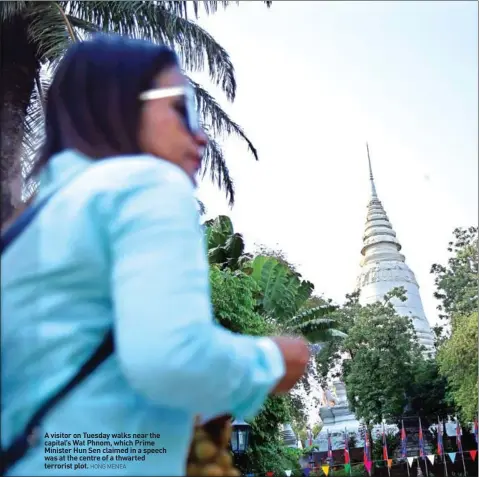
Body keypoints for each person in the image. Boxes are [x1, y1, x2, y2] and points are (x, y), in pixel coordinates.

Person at [1, 35, 310, 476]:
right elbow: (169, 358)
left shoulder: (24, 229)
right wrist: (273, 360)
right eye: (182, 106)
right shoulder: (147, 184)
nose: (201, 135)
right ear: (121, 104)